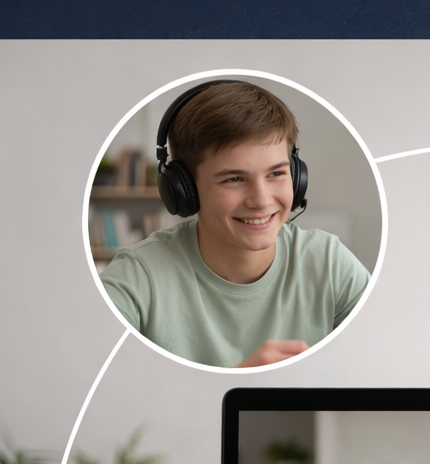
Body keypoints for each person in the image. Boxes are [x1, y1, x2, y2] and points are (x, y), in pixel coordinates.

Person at [100, 81, 370, 368]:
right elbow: (87, 395)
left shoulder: (328, 261)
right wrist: (235, 387)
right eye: (234, 179)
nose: (261, 200)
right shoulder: (136, 277)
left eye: (276, 173)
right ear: (184, 190)